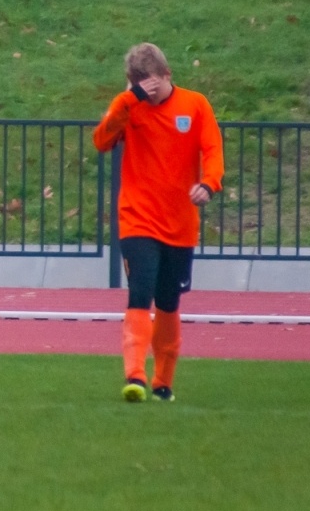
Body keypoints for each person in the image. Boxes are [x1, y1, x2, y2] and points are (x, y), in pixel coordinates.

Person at [93, 42, 222, 403]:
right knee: (141, 290)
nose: (149, 95)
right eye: (140, 88)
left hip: (179, 222)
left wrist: (209, 184)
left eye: (153, 86)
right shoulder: (129, 107)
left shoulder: (195, 105)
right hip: (138, 219)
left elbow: (212, 150)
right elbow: (102, 140)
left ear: (167, 75)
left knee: (168, 301)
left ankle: (163, 382)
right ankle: (134, 376)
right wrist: (127, 100)